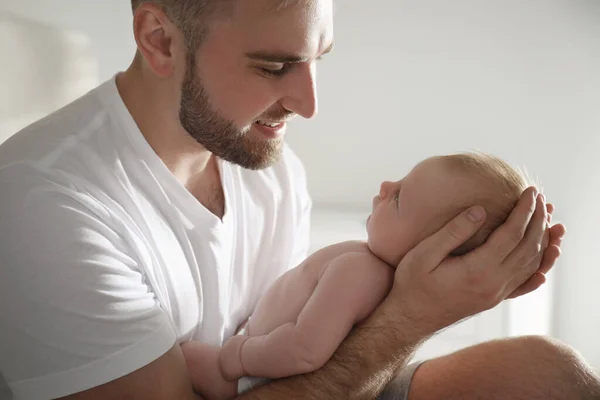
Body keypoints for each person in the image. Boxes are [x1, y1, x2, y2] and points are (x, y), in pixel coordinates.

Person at [0, 0, 597, 399]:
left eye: (316, 60)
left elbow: (298, 359)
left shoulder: (269, 169)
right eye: (276, 66)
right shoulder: (45, 206)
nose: (309, 104)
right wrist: (417, 313)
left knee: (549, 376)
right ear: (160, 40)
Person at [179, 151, 548, 400]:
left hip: (254, 377)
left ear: (433, 249)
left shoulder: (359, 271)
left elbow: (304, 350)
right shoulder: (376, 274)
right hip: (268, 360)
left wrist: (234, 358)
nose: (386, 187)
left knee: (179, 360)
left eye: (400, 199)